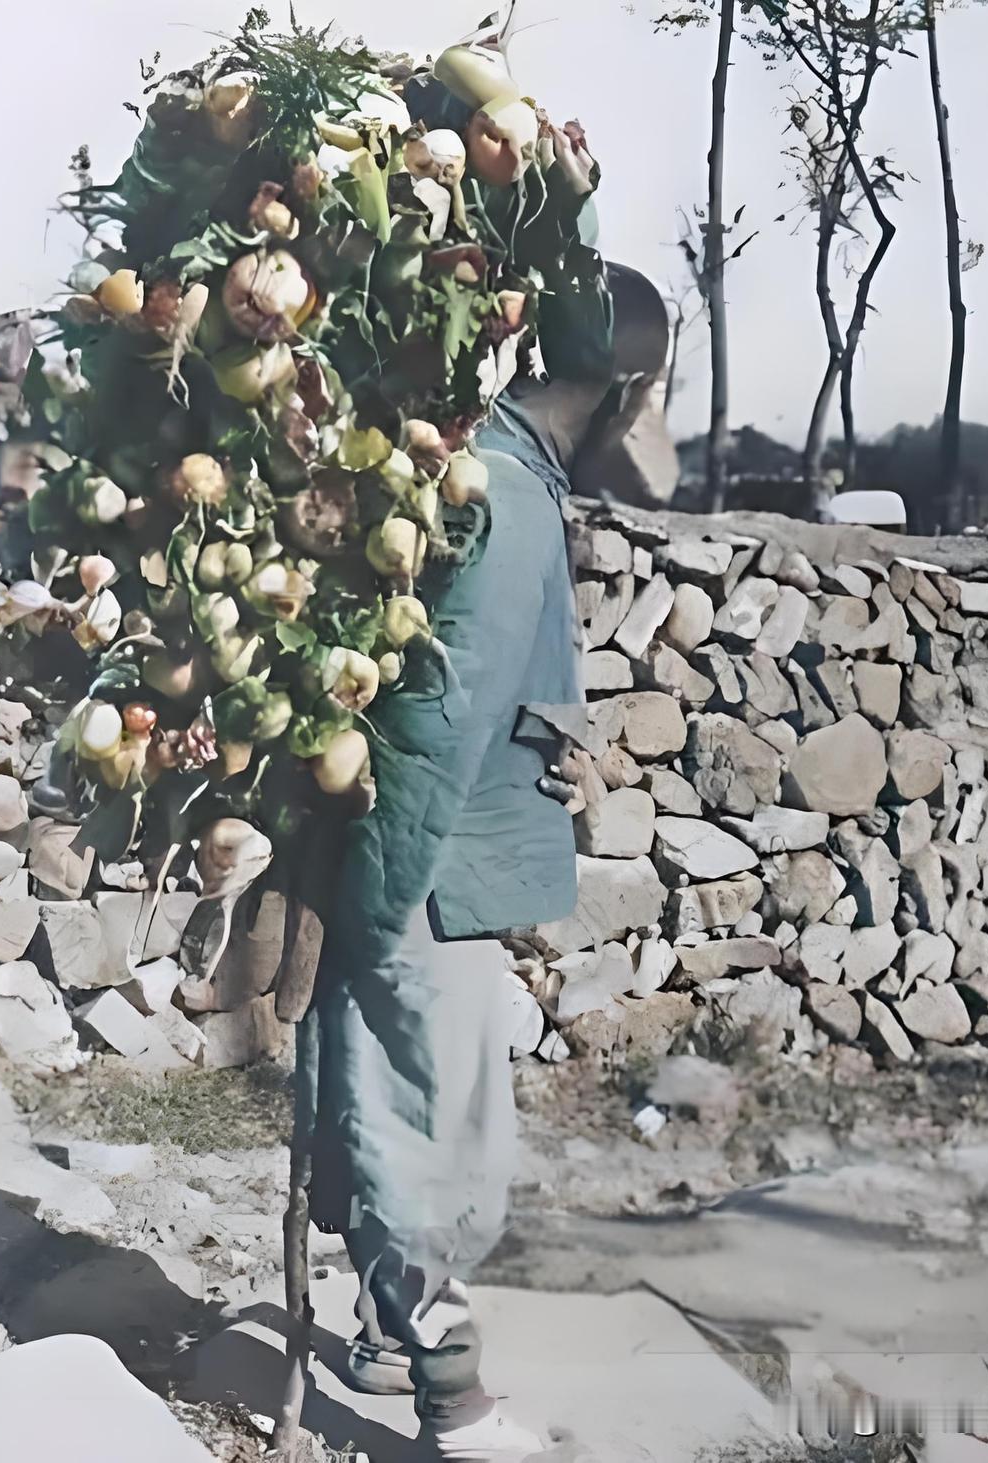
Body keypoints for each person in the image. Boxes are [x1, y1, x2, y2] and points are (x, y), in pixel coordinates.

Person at [297, 249, 667, 1459]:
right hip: (423, 878)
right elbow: (428, 735)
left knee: (408, 1114)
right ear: (626, 389)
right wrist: (378, 909)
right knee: (434, 1136)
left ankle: (371, 1332)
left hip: (428, 872)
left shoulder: (495, 473)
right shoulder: (505, 503)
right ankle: (450, 1402)